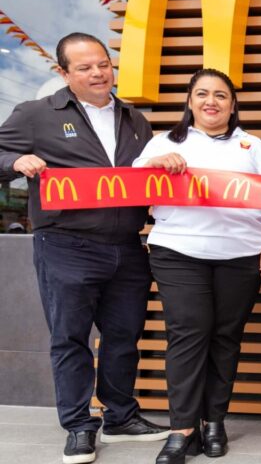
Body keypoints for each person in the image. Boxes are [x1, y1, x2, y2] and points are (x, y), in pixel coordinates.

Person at [0, 32, 168, 464]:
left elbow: (145, 181)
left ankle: (120, 416)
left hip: (129, 247)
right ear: (63, 73)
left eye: (103, 64)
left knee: (124, 337)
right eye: (84, 67)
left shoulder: (135, 119)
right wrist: (15, 162)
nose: (98, 73)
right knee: (71, 338)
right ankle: (78, 425)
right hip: (66, 245)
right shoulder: (36, 114)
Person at [132, 69, 261, 464]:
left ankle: (214, 422)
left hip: (241, 254)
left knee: (226, 337)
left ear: (233, 104)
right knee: (187, 334)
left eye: (220, 95)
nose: (211, 101)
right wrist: (154, 165)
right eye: (202, 94)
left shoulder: (254, 147)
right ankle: (182, 429)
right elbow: (133, 188)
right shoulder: (162, 142)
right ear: (190, 100)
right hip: (178, 252)